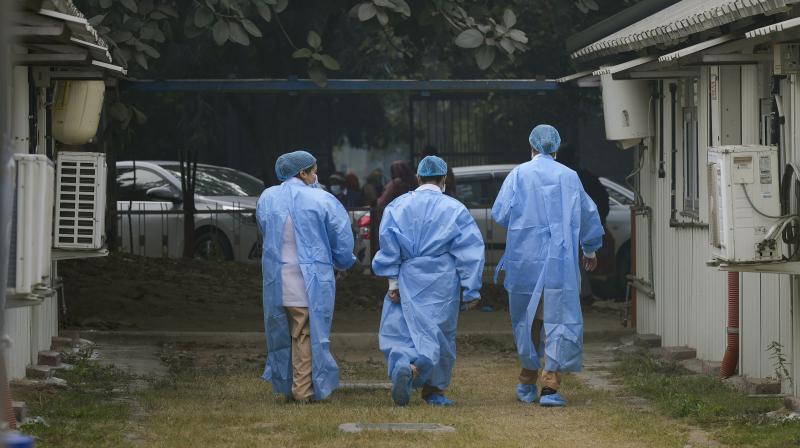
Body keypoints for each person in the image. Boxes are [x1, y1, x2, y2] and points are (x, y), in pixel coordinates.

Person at [491, 125, 604, 407]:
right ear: (556, 148)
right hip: (560, 260)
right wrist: (589, 249)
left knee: (526, 320)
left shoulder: (518, 175)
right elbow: (588, 214)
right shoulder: (569, 177)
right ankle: (550, 384)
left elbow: (500, 214)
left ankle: (527, 379)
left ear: (530, 147)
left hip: (525, 260)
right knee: (559, 317)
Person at [372, 155, 485, 407]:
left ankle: (404, 365)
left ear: (419, 177)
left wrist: (392, 282)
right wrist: (471, 289)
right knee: (439, 335)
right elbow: (470, 251)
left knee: (402, 330)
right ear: (444, 179)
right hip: (442, 282)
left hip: (407, 278)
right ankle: (432, 389)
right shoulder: (455, 209)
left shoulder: (397, 206)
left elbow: (388, 246)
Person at [256, 150, 356, 402]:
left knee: (282, 333)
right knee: (304, 334)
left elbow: (264, 229)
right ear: (302, 173)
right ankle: (302, 390)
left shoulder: (267, 197)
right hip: (308, 280)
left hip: (275, 279)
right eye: (313, 170)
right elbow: (341, 236)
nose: (316, 175)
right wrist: (343, 262)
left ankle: (287, 384)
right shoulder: (321, 199)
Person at [557, 143, 611, 304]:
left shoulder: (564, 177)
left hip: (570, 224)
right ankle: (583, 293)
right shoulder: (585, 177)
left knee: (571, 259)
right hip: (581, 223)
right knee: (578, 259)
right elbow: (600, 202)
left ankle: (582, 293)